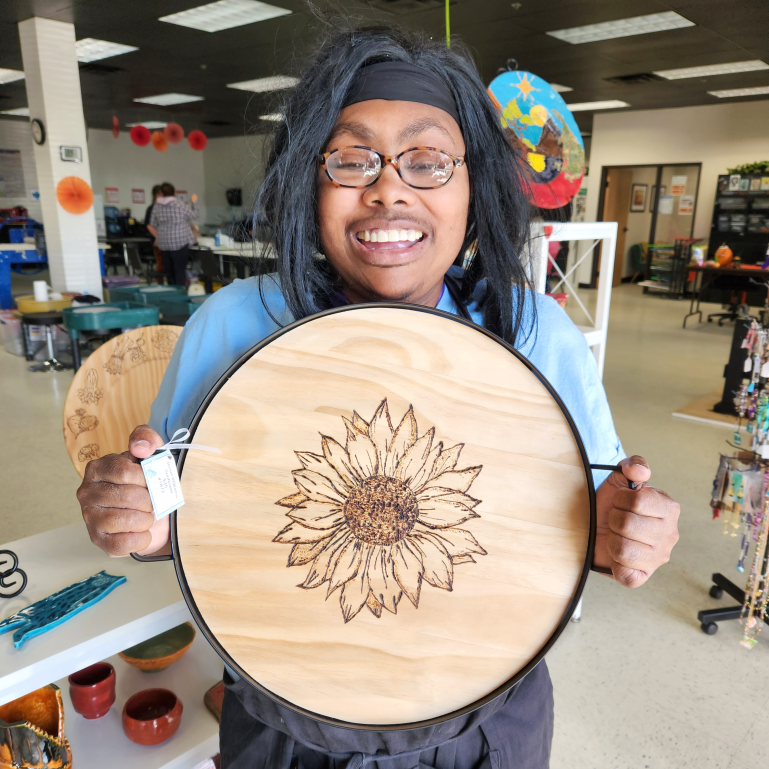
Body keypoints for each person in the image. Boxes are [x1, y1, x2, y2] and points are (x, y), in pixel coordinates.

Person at [77, 26, 680, 769]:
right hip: (285, 730)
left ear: (474, 185)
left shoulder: (534, 331)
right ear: (308, 178)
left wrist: (628, 528)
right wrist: (134, 512)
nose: (389, 187)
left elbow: (590, 517)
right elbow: (173, 510)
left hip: (488, 727)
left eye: (427, 161)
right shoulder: (233, 323)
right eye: (352, 159)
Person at [147, 182, 199, 286]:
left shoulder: (156, 207)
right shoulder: (180, 205)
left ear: (162, 193)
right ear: (174, 192)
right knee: (180, 271)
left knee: (169, 272)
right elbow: (195, 215)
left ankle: (172, 294)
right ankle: (180, 295)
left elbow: (152, 223)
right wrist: (194, 202)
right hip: (180, 243)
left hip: (164, 244)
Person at [144, 185, 165, 282]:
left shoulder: (163, 208)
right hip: (158, 242)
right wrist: (159, 237)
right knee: (160, 265)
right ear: (157, 195)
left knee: (165, 265)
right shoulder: (152, 208)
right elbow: (148, 225)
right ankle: (160, 284)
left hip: (166, 241)